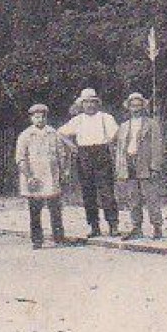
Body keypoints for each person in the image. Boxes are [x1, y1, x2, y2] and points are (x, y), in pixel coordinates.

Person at [59, 89, 120, 237]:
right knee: (88, 193)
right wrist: (72, 146)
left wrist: (107, 144)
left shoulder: (106, 118)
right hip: (84, 155)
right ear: (82, 104)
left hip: (101, 153)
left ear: (97, 103)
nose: (90, 105)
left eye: (93, 102)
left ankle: (113, 225)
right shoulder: (78, 119)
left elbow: (117, 134)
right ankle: (94, 226)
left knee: (106, 191)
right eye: (86, 102)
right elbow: (60, 132)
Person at [15, 103, 72, 248]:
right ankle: (37, 240)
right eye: (36, 117)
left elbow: (62, 154)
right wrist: (29, 176)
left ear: (46, 118)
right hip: (34, 178)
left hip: (52, 176)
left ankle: (59, 237)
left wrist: (64, 171)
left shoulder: (53, 133)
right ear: (31, 119)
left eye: (42, 117)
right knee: (35, 211)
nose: (40, 120)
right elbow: (20, 159)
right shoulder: (25, 135)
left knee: (55, 209)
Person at [115, 92, 164, 240]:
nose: (135, 108)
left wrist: (155, 166)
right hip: (129, 162)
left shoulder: (151, 124)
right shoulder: (124, 126)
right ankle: (136, 227)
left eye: (138, 105)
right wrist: (120, 168)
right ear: (128, 107)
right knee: (133, 197)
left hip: (145, 163)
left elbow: (157, 146)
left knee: (151, 196)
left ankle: (157, 226)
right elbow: (119, 148)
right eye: (132, 105)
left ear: (143, 106)